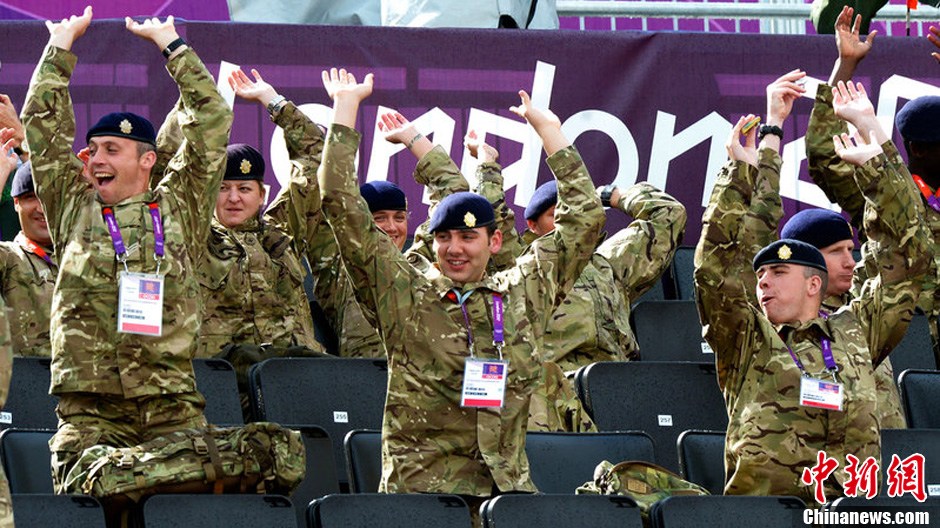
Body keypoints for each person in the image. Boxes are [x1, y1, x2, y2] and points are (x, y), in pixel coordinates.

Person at [316, 67, 603, 518]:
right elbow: (340, 202)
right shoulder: (404, 292)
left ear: (494, 241)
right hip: (424, 502)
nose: (454, 249)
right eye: (444, 238)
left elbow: (585, 219)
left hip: (505, 497)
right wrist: (346, 107)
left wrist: (550, 131)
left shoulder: (522, 291)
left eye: (468, 238)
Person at [21, 7, 233, 493]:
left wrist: (171, 46)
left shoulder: (181, 204)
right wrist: (60, 46)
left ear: (147, 160)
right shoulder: (72, 204)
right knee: (91, 493)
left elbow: (212, 119)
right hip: (91, 411)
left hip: (171, 407)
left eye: (111, 150)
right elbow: (42, 125)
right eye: (92, 150)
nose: (96, 159)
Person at [694, 72, 930, 502]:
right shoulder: (747, 339)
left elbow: (907, 255)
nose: (763, 282)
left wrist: (876, 158)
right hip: (771, 518)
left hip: (854, 515)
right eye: (760, 276)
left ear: (813, 283)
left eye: (778, 273)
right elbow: (715, 268)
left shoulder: (857, 331)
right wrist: (743, 171)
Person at [808, 7, 940, 369]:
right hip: (895, 352)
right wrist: (845, 65)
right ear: (919, 149)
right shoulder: (879, 190)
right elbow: (824, 153)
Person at [0, 160, 57, 357]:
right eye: (31, 197)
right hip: (26, 375)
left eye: (50, 197)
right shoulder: (10, 258)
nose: (41, 208)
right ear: (16, 203)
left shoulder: (90, 259)